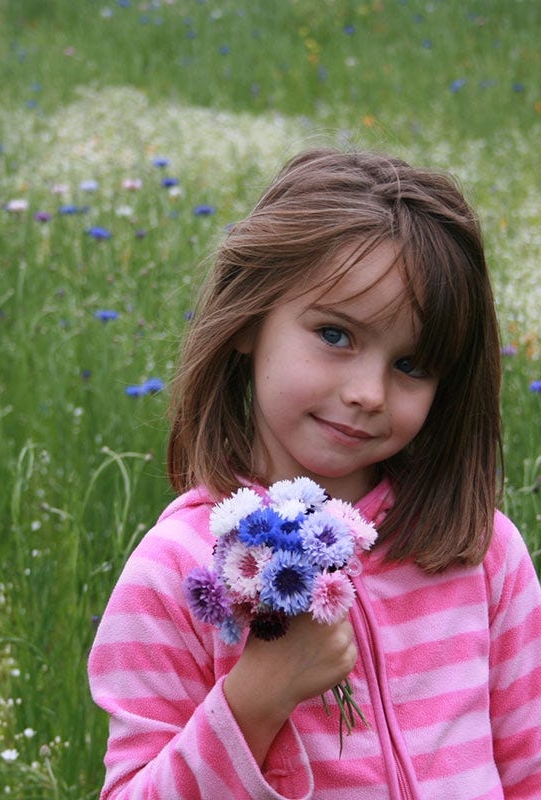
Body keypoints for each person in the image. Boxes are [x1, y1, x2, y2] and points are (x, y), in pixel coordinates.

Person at [87, 148, 541, 799]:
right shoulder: (179, 572)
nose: (369, 393)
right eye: (335, 334)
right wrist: (255, 701)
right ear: (249, 316)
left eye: (411, 365)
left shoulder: (482, 553)